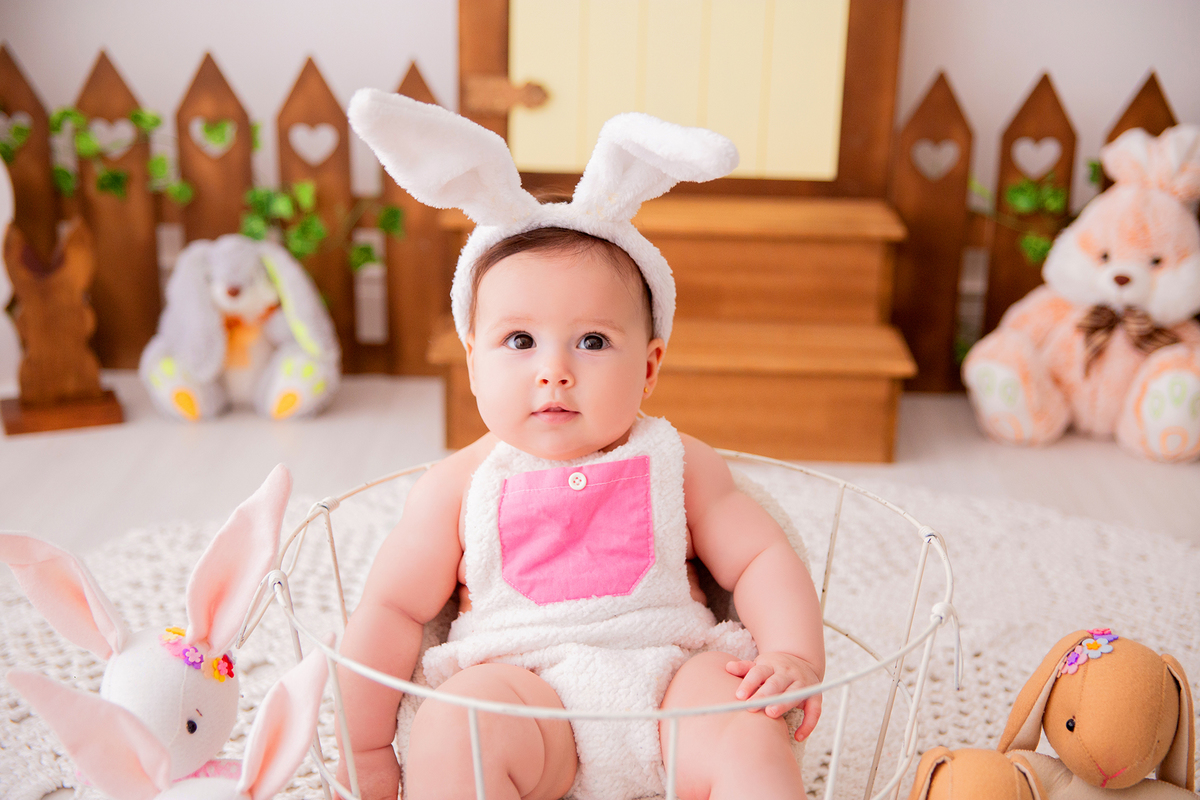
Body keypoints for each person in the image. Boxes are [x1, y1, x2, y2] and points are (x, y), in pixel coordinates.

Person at [337, 89, 825, 800]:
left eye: (593, 340)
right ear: (474, 359)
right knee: (456, 726)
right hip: (523, 690)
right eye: (519, 340)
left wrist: (792, 654)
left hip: (669, 680)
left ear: (651, 366)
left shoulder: (678, 461)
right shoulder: (458, 486)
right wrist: (368, 744)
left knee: (747, 724)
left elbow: (761, 556)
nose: (553, 369)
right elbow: (390, 612)